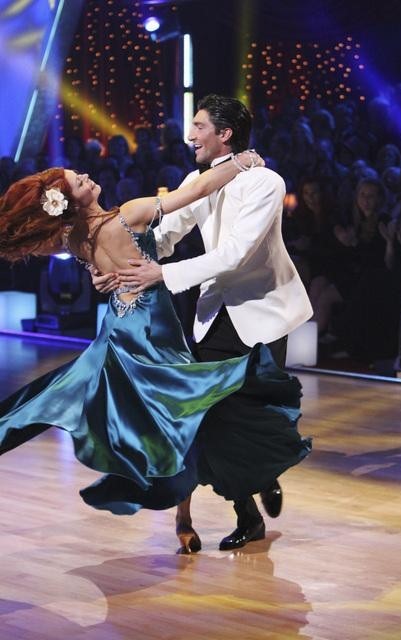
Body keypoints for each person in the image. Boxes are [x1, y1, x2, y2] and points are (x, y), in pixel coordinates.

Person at [0, 159, 312, 554]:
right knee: (187, 419)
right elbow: (195, 192)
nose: (87, 176)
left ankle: (199, 513)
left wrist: (98, 271)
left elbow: (83, 259)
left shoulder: (72, 239)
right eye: (78, 181)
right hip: (153, 335)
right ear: (68, 201)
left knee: (170, 422)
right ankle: (223, 498)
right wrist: (241, 161)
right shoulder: (130, 212)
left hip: (118, 334)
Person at [92, 94, 313, 552]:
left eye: (198, 125)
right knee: (209, 417)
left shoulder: (266, 182)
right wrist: (118, 266)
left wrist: (162, 274)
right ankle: (248, 515)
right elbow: (165, 236)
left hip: (264, 313)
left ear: (224, 133)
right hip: (215, 316)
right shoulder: (198, 180)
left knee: (256, 412)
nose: (189, 134)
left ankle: (265, 471)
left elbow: (235, 255)